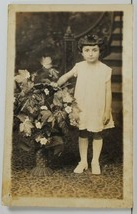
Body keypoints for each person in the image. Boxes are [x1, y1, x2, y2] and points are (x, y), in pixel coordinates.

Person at [53, 34, 114, 174]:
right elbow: (66, 76)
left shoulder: (105, 70)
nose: (91, 54)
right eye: (87, 50)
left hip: (98, 107)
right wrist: (55, 85)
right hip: (81, 107)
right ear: (81, 52)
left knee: (98, 133)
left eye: (94, 50)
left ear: (100, 51)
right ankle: (83, 161)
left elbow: (108, 92)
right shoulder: (79, 66)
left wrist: (107, 111)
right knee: (83, 132)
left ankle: (95, 162)